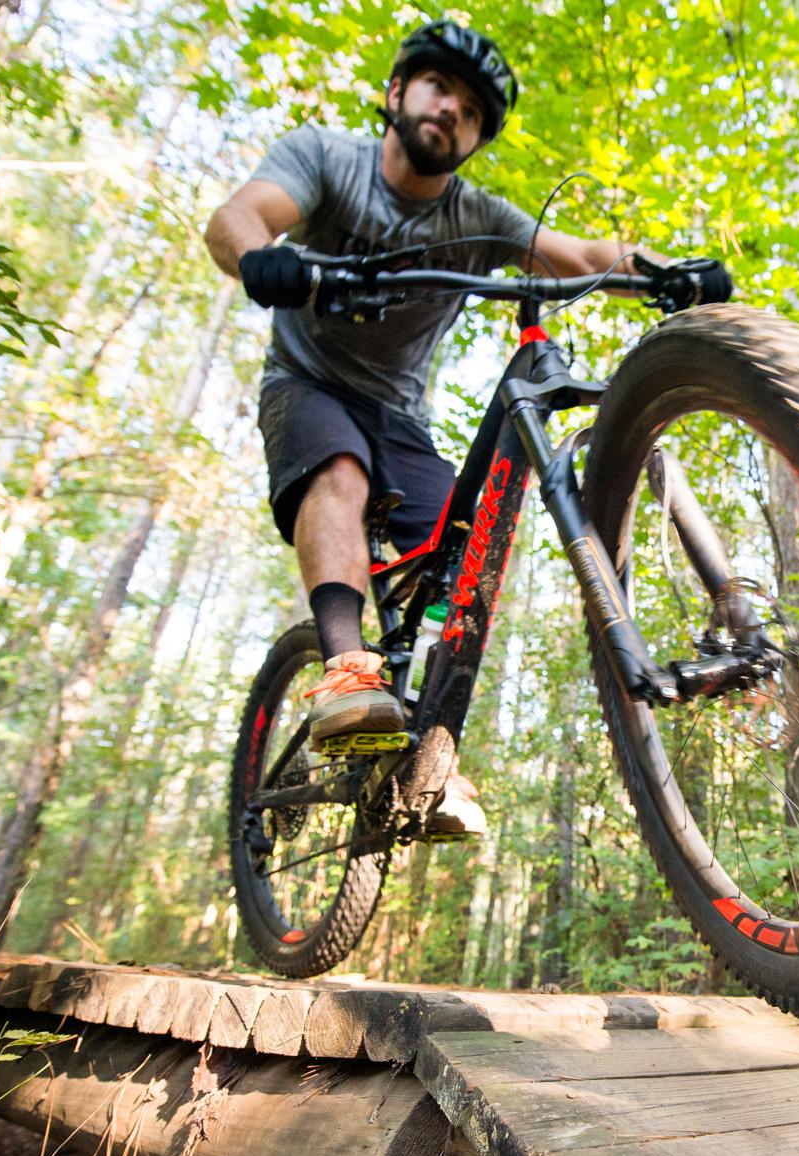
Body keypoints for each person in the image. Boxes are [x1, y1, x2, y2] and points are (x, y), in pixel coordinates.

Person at [204, 20, 729, 836]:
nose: (453, 111)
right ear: (398, 92)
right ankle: (347, 672)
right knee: (339, 473)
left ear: (477, 139)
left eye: (474, 111)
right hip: (308, 381)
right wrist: (258, 258)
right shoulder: (327, 160)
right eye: (440, 87)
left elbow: (579, 254)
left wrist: (666, 274)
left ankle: (420, 751)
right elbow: (239, 217)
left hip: (400, 415)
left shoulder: (477, 216)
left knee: (465, 553)